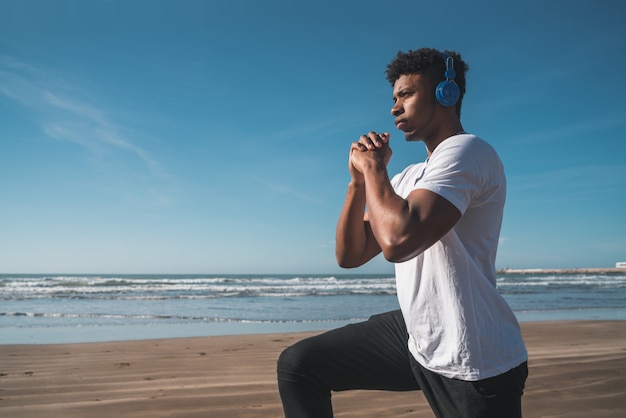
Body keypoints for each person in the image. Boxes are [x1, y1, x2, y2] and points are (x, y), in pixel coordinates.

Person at [276, 47, 528, 418]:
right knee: (299, 365)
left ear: (446, 93)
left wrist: (375, 170)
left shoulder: (468, 151)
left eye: (407, 94)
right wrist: (358, 183)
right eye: (394, 98)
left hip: (473, 356)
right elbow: (351, 255)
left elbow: (397, 242)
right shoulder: (407, 177)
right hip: (418, 334)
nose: (394, 107)